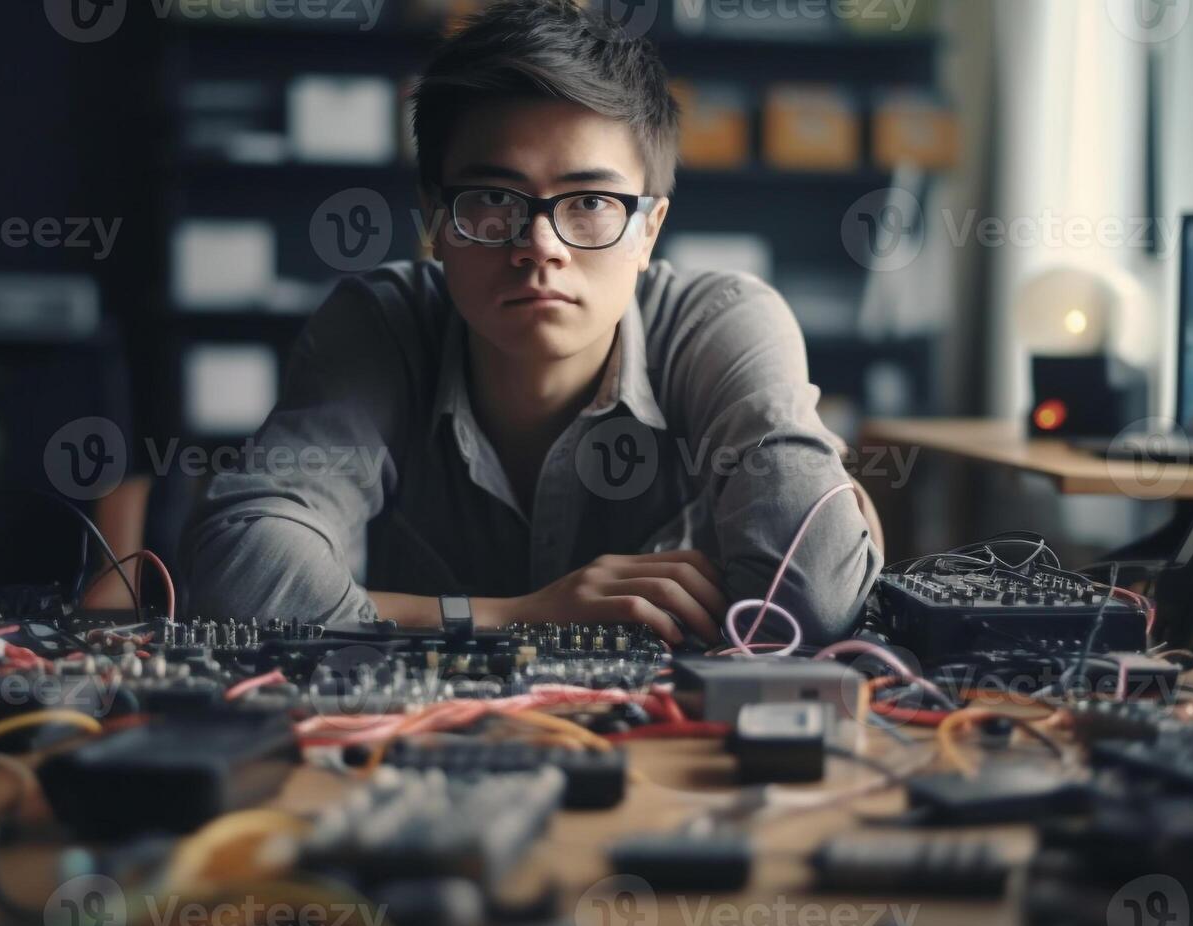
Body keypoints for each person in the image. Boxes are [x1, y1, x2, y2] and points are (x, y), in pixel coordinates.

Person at [184, 0, 882, 647]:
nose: (539, 245)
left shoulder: (718, 325)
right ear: (434, 222)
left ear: (647, 232)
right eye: (492, 197)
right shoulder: (382, 324)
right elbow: (238, 576)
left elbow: (811, 600)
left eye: (589, 202)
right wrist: (518, 616)